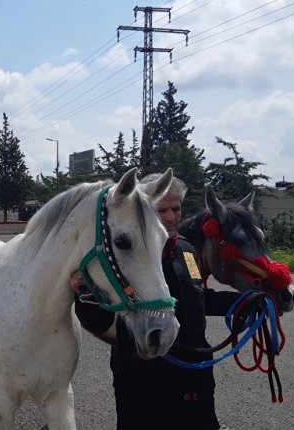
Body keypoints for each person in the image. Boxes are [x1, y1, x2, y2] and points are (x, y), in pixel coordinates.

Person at [71, 175, 242, 430]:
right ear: (145, 211)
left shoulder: (185, 249)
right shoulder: (124, 259)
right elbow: (100, 318)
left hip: (195, 379)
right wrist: (83, 295)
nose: (172, 217)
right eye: (163, 210)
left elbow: (197, 297)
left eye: (176, 209)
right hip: (145, 383)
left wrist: (245, 302)